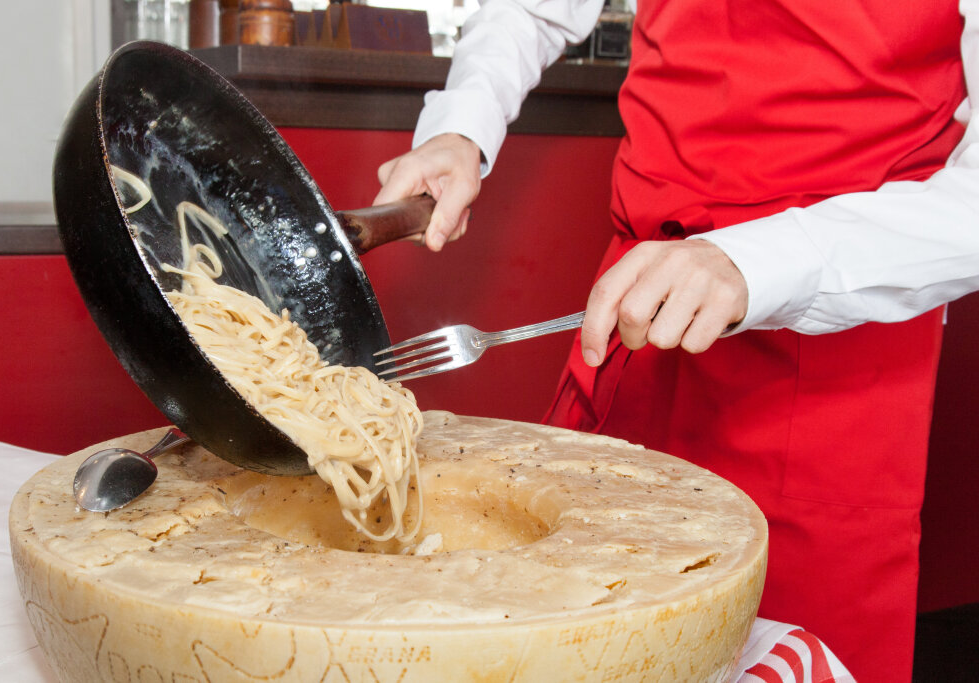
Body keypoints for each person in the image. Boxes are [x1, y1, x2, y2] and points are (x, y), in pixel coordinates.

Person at [373, 1, 979, 681]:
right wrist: (462, 126)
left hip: (831, 369)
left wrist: (760, 261)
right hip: (636, 319)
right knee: (576, 644)